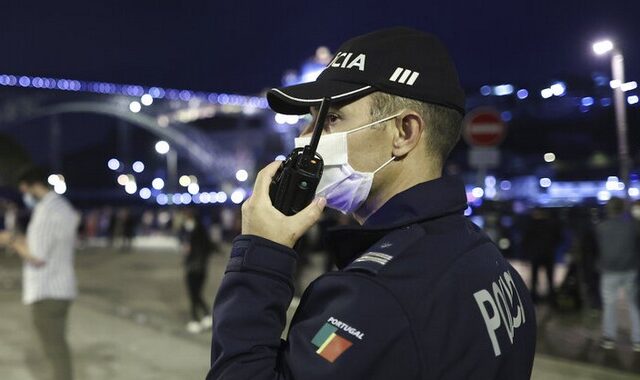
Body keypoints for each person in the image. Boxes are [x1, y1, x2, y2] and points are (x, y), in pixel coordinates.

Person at [207, 27, 536, 379]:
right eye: (309, 122)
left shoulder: (376, 297)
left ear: (404, 133)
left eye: (331, 119)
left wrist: (261, 254)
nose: (305, 139)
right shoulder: (488, 261)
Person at [0, 167, 80, 380]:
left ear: (35, 186)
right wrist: (17, 238)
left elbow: (37, 256)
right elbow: (44, 246)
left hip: (47, 290)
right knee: (58, 343)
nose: (25, 195)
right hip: (62, 287)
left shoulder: (46, 211)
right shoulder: (63, 207)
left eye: (25, 190)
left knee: (54, 348)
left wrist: (10, 240)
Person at [595, 197, 640, 351]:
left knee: (609, 304)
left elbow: (597, 248)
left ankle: (609, 338)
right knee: (634, 304)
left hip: (609, 270)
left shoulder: (601, 227)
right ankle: (637, 340)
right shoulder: (632, 226)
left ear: (608, 209)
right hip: (630, 270)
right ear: (623, 209)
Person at [181, 211, 215, 333]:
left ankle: (196, 319)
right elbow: (211, 247)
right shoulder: (199, 233)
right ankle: (206, 316)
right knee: (196, 294)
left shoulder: (194, 234)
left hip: (194, 268)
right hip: (201, 268)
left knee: (194, 294)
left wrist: (189, 251)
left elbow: (194, 250)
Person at [521, 208, 563, 305]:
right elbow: (559, 237)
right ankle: (552, 299)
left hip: (536, 254)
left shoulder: (532, 224)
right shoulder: (552, 224)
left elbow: (526, 240)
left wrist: (526, 253)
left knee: (534, 277)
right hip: (548, 254)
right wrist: (553, 246)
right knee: (550, 278)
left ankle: (534, 298)